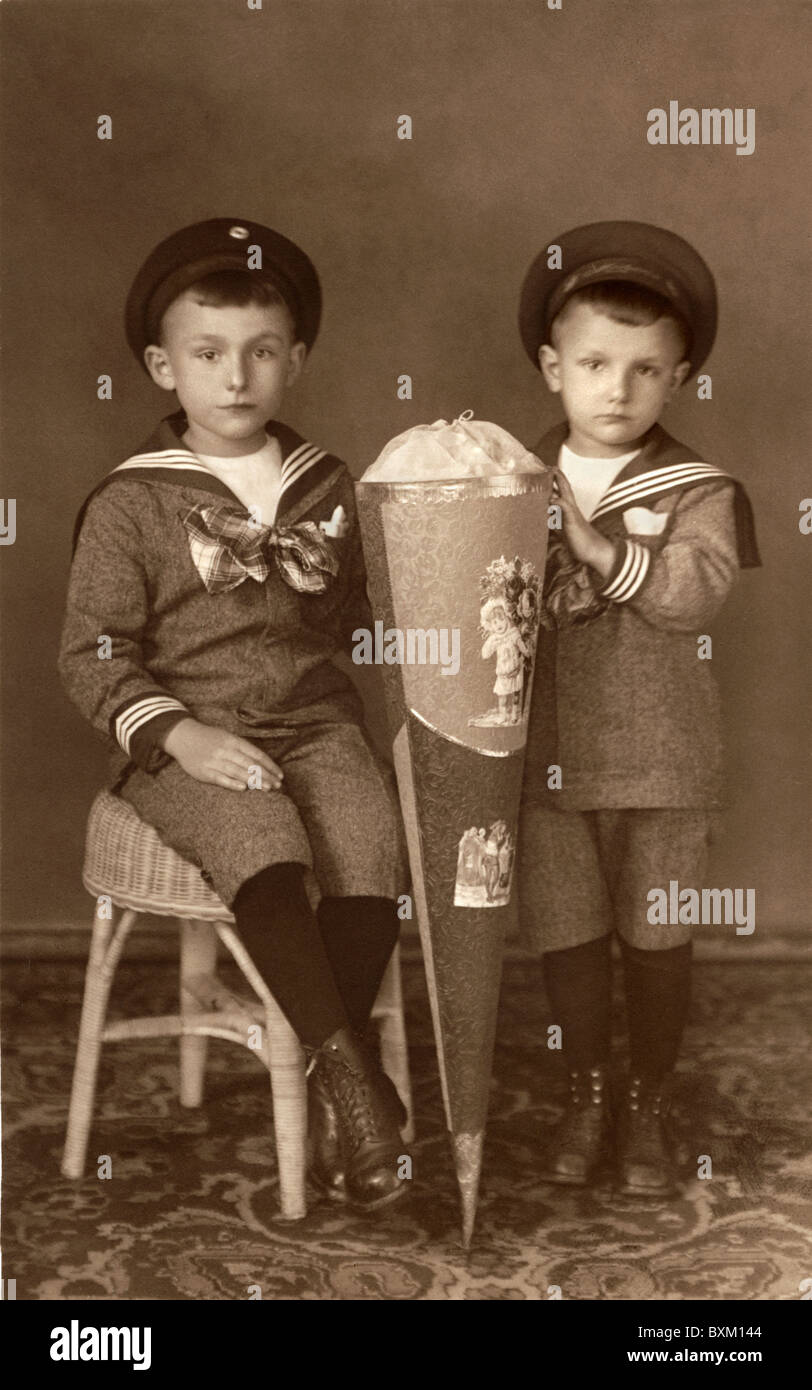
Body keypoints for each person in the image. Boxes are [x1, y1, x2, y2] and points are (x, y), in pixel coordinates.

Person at [59, 218, 411, 1211]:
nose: (236, 377)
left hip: (312, 716)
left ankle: (328, 1069)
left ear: (294, 359)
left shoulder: (328, 485)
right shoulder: (131, 503)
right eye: (208, 354)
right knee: (264, 838)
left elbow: (354, 616)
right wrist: (183, 735)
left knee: (367, 832)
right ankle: (352, 1077)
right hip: (189, 731)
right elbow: (91, 655)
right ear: (162, 366)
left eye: (262, 352)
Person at [516, 221, 760, 1195]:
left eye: (644, 370)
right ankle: (585, 1092)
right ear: (551, 367)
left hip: (664, 762)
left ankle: (648, 1101)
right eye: (592, 363)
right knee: (567, 934)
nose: (615, 390)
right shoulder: (505, 477)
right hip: (547, 759)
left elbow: (693, 592)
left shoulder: (698, 488)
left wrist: (589, 542)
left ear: (678, 376)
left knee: (654, 937)